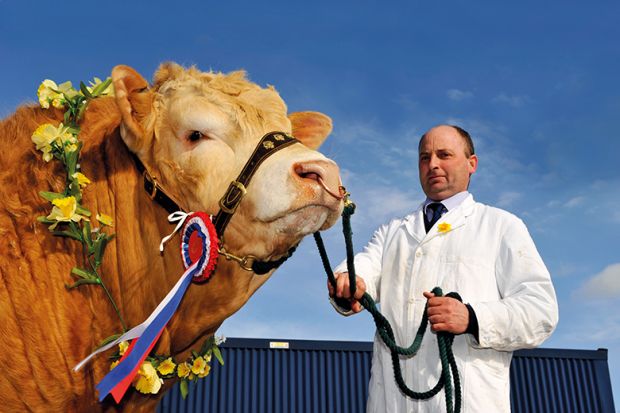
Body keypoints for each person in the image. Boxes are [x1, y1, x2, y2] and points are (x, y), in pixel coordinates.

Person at [329, 125, 558, 412]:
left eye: (444, 154)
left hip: (468, 403)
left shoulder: (501, 226)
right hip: (392, 403)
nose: (433, 164)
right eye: (424, 157)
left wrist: (472, 317)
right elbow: (364, 267)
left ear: (471, 163)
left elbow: (541, 311)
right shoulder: (392, 231)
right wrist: (349, 281)